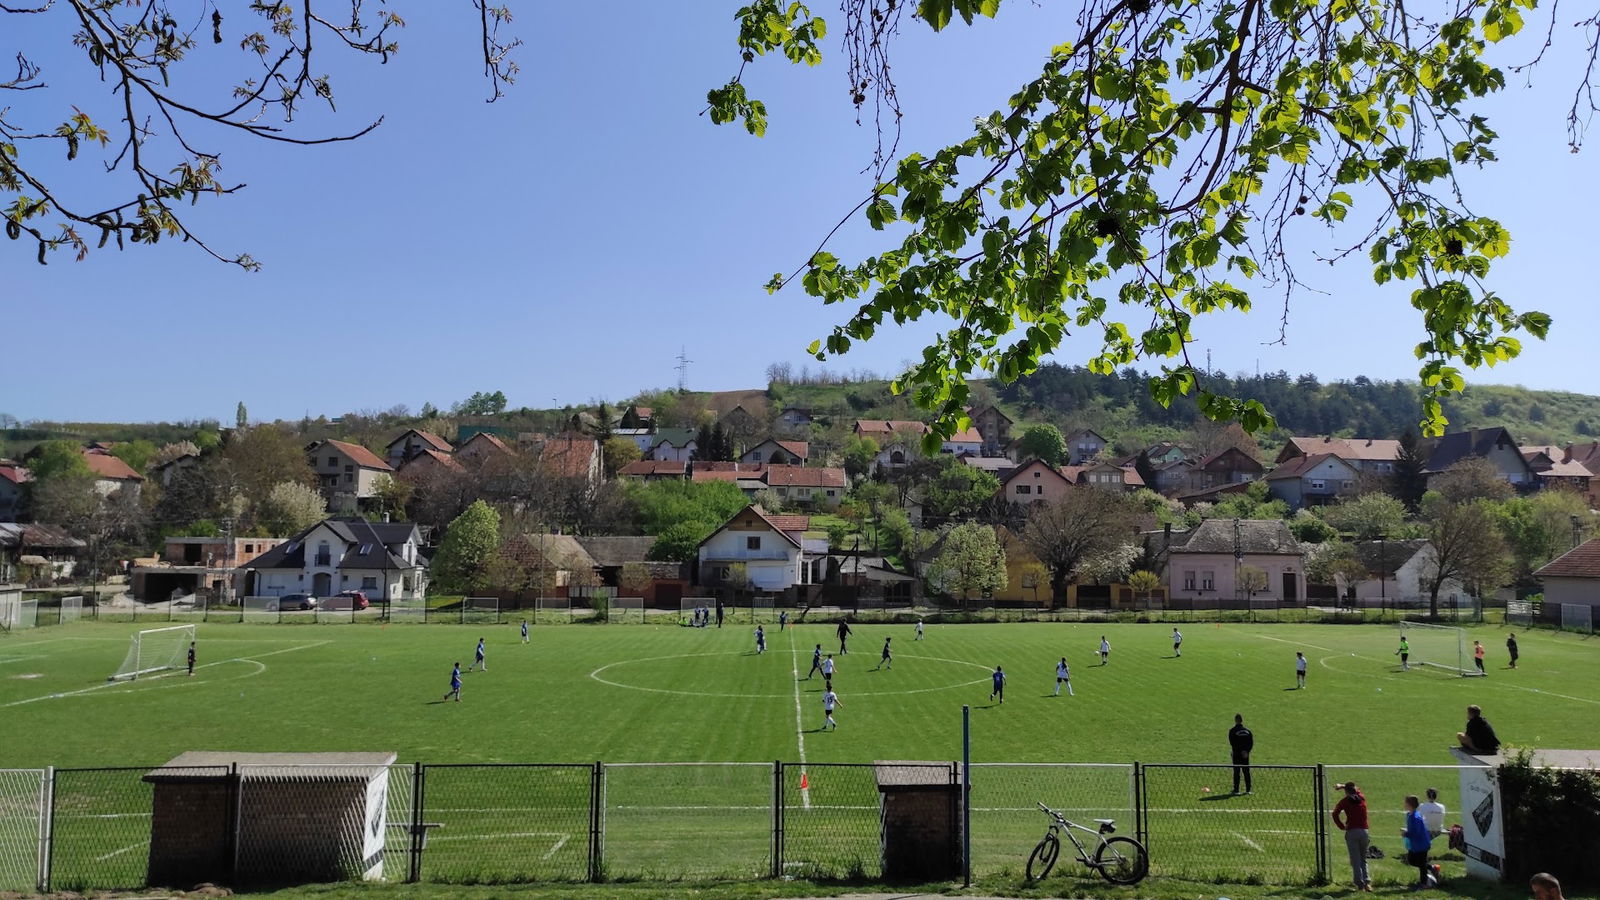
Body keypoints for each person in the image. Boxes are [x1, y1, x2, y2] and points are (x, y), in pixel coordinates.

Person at [1331, 781, 1372, 892]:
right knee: (1363, 858)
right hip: (1364, 831)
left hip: (1352, 832)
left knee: (1355, 860)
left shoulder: (1345, 802)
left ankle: (1359, 884)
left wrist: (1341, 826)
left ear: (1346, 792)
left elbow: (1335, 814)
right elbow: (1356, 789)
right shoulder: (1361, 797)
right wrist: (1344, 786)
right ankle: (1367, 882)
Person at [1401, 795, 1435, 889]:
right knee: (1411, 860)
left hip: (1422, 844)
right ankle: (1432, 868)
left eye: (1406, 803)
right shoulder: (1410, 815)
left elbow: (1417, 832)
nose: (1404, 804)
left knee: (1421, 864)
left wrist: (1406, 834)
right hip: (1415, 844)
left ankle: (1424, 884)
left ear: (1410, 805)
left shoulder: (1415, 817)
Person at [1229, 714, 1254, 794]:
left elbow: (1232, 743)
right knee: (1246, 771)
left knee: (1237, 771)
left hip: (1236, 754)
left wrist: (1238, 751)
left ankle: (1236, 790)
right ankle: (1248, 789)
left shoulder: (1232, 731)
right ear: (1242, 720)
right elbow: (1251, 743)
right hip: (1245, 755)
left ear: (1235, 720)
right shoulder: (1248, 731)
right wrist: (1246, 751)